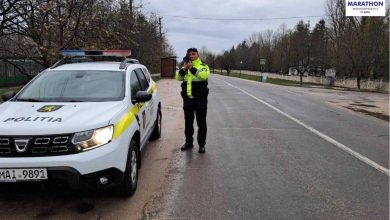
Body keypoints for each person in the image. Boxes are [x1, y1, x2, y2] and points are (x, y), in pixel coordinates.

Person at [175, 48, 210, 153]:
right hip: (188, 100)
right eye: (189, 54)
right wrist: (185, 69)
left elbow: (204, 76)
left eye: (193, 54)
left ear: (198, 55)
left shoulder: (203, 66)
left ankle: (201, 145)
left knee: (201, 123)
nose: (191, 56)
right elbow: (177, 77)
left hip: (200, 100)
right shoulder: (185, 66)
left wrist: (192, 68)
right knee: (188, 123)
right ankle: (189, 142)